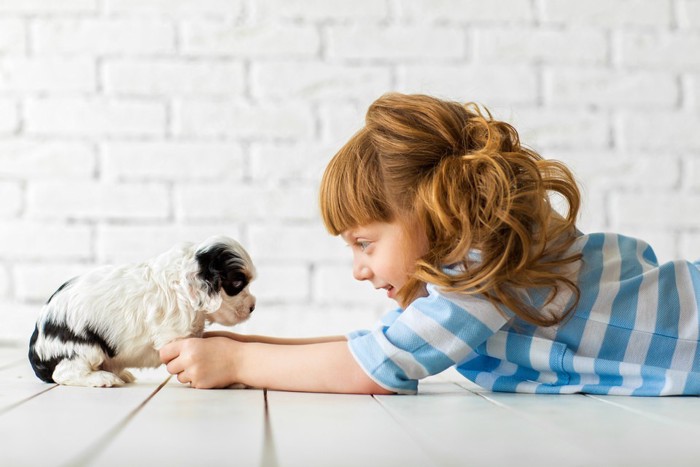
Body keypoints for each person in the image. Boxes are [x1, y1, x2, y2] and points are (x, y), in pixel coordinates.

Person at [160, 93, 700, 396]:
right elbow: (373, 343)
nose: (359, 269)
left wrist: (235, 363)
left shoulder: (484, 262)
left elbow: (378, 366)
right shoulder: (477, 278)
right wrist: (248, 349)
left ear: (431, 214)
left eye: (365, 243)